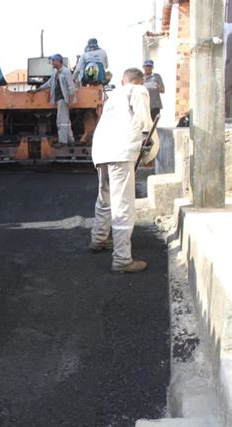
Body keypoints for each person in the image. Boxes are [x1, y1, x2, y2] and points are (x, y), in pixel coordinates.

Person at [90, 67, 159, 273]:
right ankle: (122, 258)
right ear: (139, 81)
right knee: (123, 205)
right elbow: (145, 122)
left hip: (101, 151)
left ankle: (98, 239)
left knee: (105, 198)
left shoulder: (112, 97)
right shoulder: (138, 90)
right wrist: (147, 147)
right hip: (121, 152)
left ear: (122, 81)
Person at [30, 54, 75, 148]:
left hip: (63, 99)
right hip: (60, 99)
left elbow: (71, 87)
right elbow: (49, 83)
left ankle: (63, 142)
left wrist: (71, 101)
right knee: (66, 121)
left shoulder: (66, 72)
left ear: (59, 61)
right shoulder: (56, 73)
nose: (52, 63)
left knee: (61, 121)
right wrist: (37, 90)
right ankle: (71, 140)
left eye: (53, 61)